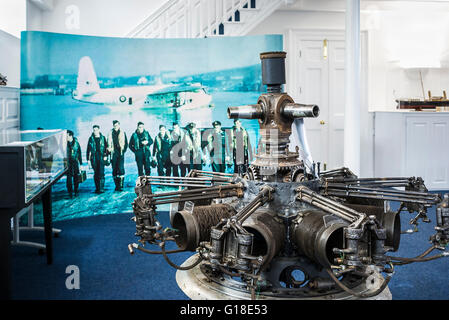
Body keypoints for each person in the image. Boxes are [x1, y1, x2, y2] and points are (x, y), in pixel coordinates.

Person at [86, 125, 108, 194]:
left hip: (101, 157)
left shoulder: (103, 138)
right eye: (94, 130)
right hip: (94, 158)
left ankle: (101, 188)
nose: (95, 131)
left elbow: (106, 148)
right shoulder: (91, 139)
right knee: (96, 173)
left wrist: (106, 156)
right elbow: (88, 149)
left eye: (96, 130)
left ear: (99, 130)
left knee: (101, 173)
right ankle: (97, 188)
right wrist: (88, 160)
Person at [107, 120, 128, 191]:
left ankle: (121, 185)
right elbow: (107, 144)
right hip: (113, 154)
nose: (116, 126)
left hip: (120, 153)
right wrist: (108, 152)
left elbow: (126, 143)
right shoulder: (110, 133)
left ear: (119, 125)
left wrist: (123, 151)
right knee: (114, 169)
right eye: (114, 125)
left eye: (117, 125)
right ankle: (117, 185)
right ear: (113, 126)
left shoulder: (122, 132)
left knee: (121, 168)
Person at [66, 130, 82, 198]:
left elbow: (79, 153)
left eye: (67, 136)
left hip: (75, 162)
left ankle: (76, 190)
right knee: (68, 179)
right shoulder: (64, 144)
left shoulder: (76, 143)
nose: (66, 137)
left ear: (71, 136)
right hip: (68, 163)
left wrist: (81, 164)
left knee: (76, 177)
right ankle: (70, 192)